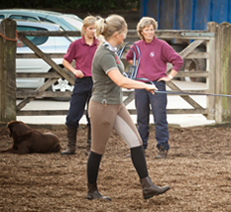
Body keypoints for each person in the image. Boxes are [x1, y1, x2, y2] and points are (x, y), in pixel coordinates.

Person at [86, 14, 169, 201]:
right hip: (103, 107)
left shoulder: (112, 51)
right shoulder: (105, 54)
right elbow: (121, 81)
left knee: (136, 141)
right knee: (97, 150)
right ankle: (92, 191)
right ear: (117, 34)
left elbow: (123, 79)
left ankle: (147, 186)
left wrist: (146, 84)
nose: (126, 35)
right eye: (124, 32)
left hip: (116, 105)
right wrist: (146, 85)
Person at [126, 17, 183, 159]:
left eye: (152, 29)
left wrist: (169, 76)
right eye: (147, 30)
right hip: (140, 84)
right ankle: (140, 147)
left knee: (159, 117)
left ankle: (162, 147)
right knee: (141, 118)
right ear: (141, 31)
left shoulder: (162, 45)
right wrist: (139, 68)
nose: (150, 32)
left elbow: (178, 60)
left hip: (156, 84)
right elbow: (129, 57)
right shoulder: (137, 46)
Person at [61, 16, 98, 155]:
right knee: (72, 116)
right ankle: (71, 147)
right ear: (84, 29)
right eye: (90, 28)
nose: (93, 31)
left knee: (92, 117)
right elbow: (65, 61)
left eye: (95, 29)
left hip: (96, 84)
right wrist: (75, 70)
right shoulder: (76, 44)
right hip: (81, 83)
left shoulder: (100, 44)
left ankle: (91, 148)